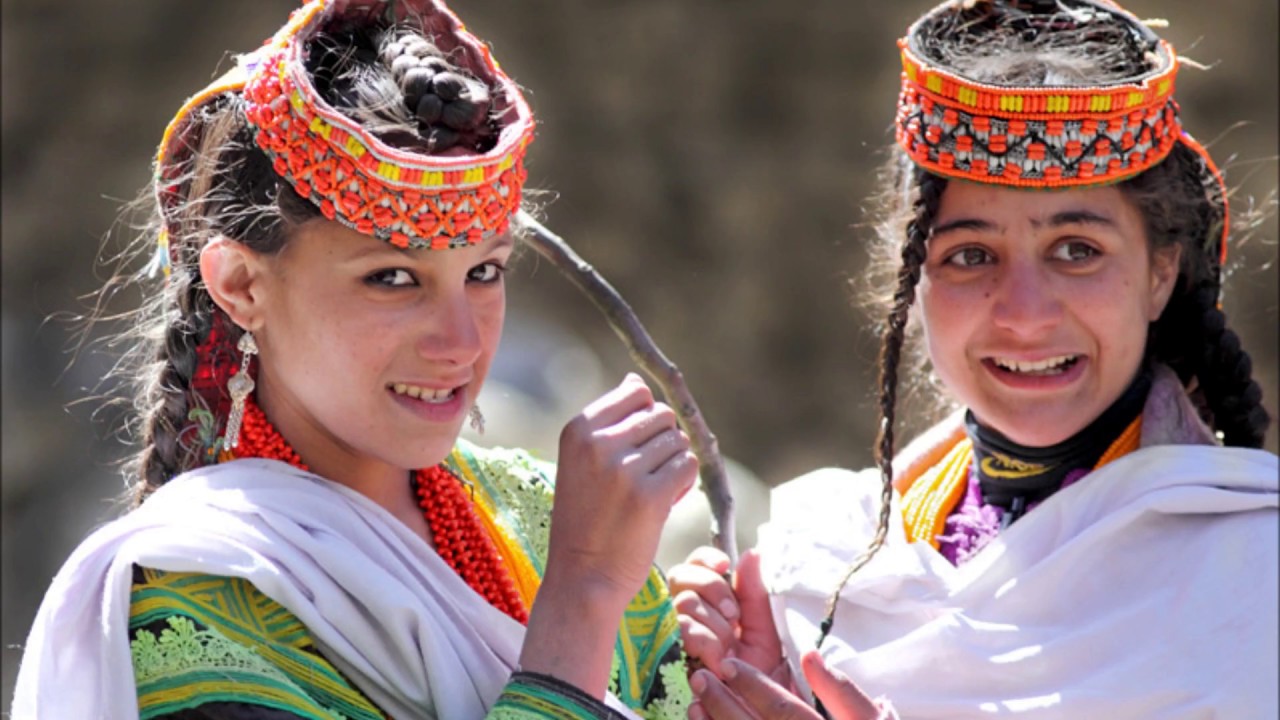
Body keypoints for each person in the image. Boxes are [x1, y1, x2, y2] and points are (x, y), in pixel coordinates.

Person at [12, 1, 698, 718]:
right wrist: (583, 597)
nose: (461, 344)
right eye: (393, 279)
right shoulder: (190, 602)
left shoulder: (545, 516)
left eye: (484, 273)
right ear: (241, 285)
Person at [668, 0, 1278, 717]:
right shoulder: (817, 572)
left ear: (1159, 274)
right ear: (913, 286)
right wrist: (736, 678)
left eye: (1077, 251)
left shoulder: (1252, 584)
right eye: (971, 256)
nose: (1025, 313)